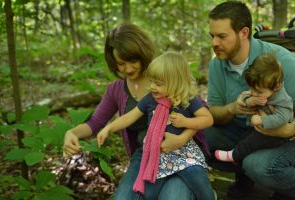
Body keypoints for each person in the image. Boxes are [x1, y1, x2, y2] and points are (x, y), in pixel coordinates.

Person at [63, 23, 207, 200]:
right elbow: (95, 123)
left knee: (172, 196)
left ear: (142, 54)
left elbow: (201, 114)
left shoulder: (164, 75)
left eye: (133, 61)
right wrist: (72, 132)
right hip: (145, 154)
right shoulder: (116, 89)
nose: (128, 69)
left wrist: (181, 139)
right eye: (121, 64)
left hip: (182, 151)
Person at [205, 1, 295, 200]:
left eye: (221, 36)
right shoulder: (216, 65)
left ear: (244, 33)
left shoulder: (283, 61)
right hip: (245, 131)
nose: (214, 43)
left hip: (282, 136)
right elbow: (214, 114)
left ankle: (288, 188)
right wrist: (233, 108)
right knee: (200, 134)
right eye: (212, 36)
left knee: (258, 165)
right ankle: (244, 178)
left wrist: (292, 129)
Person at [97, 51, 215, 200]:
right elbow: (129, 117)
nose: (152, 87)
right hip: (156, 154)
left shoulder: (187, 100)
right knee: (149, 193)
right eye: (151, 81)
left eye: (158, 83)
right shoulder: (150, 100)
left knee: (196, 176)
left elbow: (207, 119)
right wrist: (109, 128)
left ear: (175, 82)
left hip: (183, 153)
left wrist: (186, 122)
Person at [215, 52, 294, 162]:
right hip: (257, 128)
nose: (253, 93)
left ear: (276, 86)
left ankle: (234, 156)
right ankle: (240, 171)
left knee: (252, 141)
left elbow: (282, 118)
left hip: (276, 136)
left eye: (258, 91)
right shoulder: (260, 89)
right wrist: (248, 101)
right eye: (251, 89)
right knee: (244, 138)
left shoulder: (282, 100)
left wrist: (263, 120)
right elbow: (245, 96)